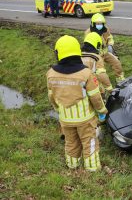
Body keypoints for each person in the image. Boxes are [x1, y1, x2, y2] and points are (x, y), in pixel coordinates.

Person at [47, 35, 108, 171]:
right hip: (85, 119)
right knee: (89, 142)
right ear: (77, 51)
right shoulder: (86, 74)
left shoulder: (50, 73)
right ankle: (92, 168)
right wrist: (102, 112)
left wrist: (58, 109)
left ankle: (72, 165)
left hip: (65, 119)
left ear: (58, 53)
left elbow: (51, 96)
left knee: (71, 142)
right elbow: (95, 97)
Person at [85, 13, 125, 83]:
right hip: (96, 55)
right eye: (97, 24)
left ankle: (119, 78)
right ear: (93, 24)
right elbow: (88, 46)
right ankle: (100, 83)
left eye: (101, 23)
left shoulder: (105, 29)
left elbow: (109, 37)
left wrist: (110, 45)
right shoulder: (88, 33)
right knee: (100, 71)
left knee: (116, 62)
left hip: (106, 53)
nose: (100, 25)